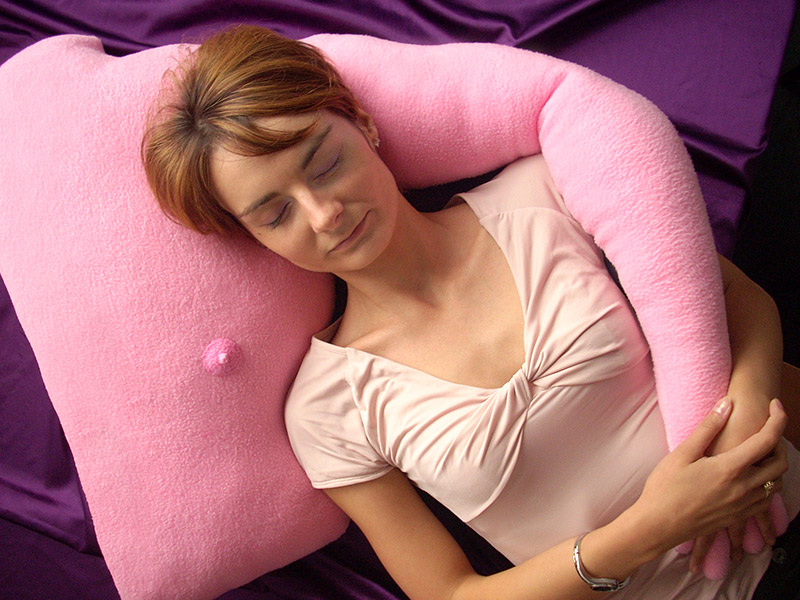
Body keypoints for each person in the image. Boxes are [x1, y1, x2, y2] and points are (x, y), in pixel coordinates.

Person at [142, 25, 800, 599]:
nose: (323, 213)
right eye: (275, 213)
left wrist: (743, 413)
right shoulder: (328, 410)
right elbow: (451, 592)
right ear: (254, 240)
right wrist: (649, 529)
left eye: (325, 163)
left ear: (362, 123)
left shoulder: (545, 190)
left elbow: (737, 298)